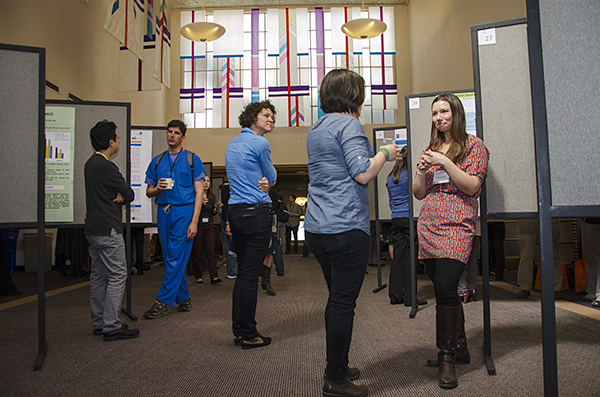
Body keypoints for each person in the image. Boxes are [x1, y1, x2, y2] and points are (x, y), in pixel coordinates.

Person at [304, 69, 399, 397]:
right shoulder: (349, 125)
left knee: (336, 300)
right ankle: (335, 378)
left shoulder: (316, 128)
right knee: (343, 304)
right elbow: (362, 173)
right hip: (345, 227)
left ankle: (339, 365)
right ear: (354, 96)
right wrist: (386, 153)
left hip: (317, 228)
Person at [413, 93, 489, 389]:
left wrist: (445, 161)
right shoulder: (430, 148)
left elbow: (472, 186)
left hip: (458, 224)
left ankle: (447, 357)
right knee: (443, 290)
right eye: (434, 113)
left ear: (456, 113)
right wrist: (420, 172)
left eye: (444, 111)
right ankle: (460, 346)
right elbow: (420, 193)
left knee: (446, 287)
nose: (438, 117)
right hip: (429, 225)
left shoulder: (474, 146)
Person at [226, 100, 277, 349]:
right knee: (249, 276)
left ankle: (239, 331)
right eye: (265, 115)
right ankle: (248, 333)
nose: (270, 119)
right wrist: (267, 181)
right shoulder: (260, 142)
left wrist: (264, 180)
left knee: (242, 274)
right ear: (252, 118)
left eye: (272, 116)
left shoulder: (232, 143)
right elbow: (273, 176)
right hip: (257, 213)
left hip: (235, 213)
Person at [143, 119, 206, 319]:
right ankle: (184, 297)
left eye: (176, 132)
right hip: (163, 211)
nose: (172, 135)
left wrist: (194, 221)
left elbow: (199, 193)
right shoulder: (157, 160)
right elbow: (148, 192)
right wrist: (156, 188)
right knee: (171, 256)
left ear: (183, 136)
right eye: (169, 132)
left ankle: (162, 301)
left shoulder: (192, 159)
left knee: (174, 257)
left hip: (184, 211)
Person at [83, 120, 139, 341]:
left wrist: (118, 195)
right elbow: (129, 193)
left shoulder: (89, 164)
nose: (118, 140)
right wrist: (120, 196)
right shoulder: (107, 166)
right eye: (116, 136)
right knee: (118, 274)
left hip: (92, 229)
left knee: (98, 276)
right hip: (108, 229)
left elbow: (116, 193)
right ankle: (111, 326)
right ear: (110, 142)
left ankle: (99, 322)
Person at [386, 146, 427, 307]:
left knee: (398, 257)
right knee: (411, 258)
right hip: (410, 219)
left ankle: (395, 295)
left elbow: (390, 201)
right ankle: (410, 297)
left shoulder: (391, 177)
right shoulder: (412, 176)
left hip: (396, 218)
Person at [515, 219, 563, 299]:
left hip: (549, 218)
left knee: (552, 255)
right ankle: (524, 287)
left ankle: (556, 287)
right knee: (526, 255)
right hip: (526, 218)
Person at [191, 175, 221, 285]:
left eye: (208, 181)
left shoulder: (212, 196)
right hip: (198, 226)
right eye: (204, 181)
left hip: (209, 226)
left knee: (211, 252)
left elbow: (212, 213)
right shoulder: (194, 196)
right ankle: (198, 276)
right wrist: (200, 203)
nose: (206, 183)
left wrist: (215, 208)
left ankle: (214, 276)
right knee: (197, 252)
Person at [219, 182, 238, 279]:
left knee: (229, 247)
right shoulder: (231, 189)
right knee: (232, 247)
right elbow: (227, 206)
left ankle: (232, 271)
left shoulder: (224, 189)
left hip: (226, 220)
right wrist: (227, 222)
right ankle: (233, 271)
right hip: (230, 220)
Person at [581, 218, 600, 307]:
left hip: (595, 217)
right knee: (590, 257)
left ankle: (598, 294)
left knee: (597, 256)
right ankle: (592, 292)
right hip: (587, 218)